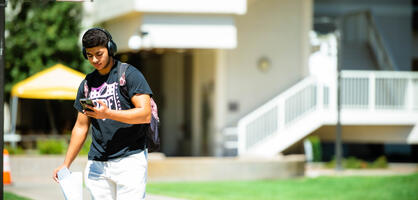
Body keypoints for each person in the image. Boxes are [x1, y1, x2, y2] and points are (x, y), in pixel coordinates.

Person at [53, 27, 153, 200]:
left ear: (110, 48)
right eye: (90, 55)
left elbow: (145, 114)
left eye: (99, 54)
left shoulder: (129, 74)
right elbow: (81, 126)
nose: (94, 60)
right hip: (97, 164)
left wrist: (108, 113)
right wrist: (66, 163)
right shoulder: (87, 84)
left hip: (130, 160)